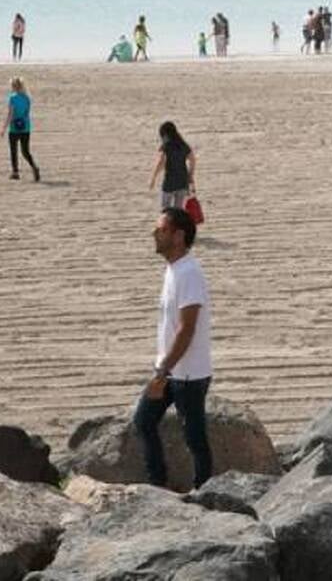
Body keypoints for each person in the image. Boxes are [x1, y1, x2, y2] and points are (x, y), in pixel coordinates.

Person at [134, 206, 214, 490]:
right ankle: (158, 484)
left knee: (194, 437)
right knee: (143, 420)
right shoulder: (174, 269)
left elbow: (187, 328)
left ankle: (204, 491)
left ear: (178, 236)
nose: (154, 233)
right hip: (171, 369)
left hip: (188, 373)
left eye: (161, 229)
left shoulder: (189, 272)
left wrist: (162, 371)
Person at [0, 76, 40, 182]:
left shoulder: (12, 98)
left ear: (13, 86)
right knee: (25, 151)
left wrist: (4, 128)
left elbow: (10, 114)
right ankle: (34, 166)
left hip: (14, 128)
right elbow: (27, 113)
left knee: (13, 150)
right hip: (26, 127)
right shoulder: (27, 98)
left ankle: (15, 172)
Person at [149, 121, 196, 211]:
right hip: (182, 181)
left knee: (166, 209)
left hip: (169, 182)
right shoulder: (183, 145)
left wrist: (153, 177)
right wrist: (190, 175)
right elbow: (192, 159)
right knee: (179, 210)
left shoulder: (166, 146)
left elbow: (161, 163)